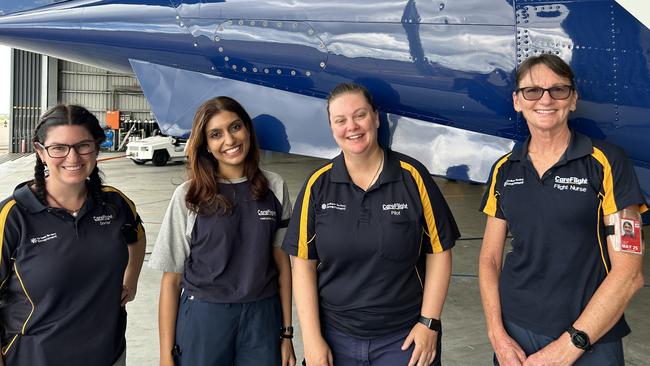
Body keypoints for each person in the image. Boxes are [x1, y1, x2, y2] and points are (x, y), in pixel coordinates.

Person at [478, 54, 647, 366]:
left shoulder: (607, 162)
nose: (545, 99)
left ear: (572, 100)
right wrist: (497, 334)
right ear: (517, 101)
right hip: (515, 337)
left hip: (590, 340)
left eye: (558, 90)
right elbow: (489, 258)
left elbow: (630, 273)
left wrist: (569, 347)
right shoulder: (503, 168)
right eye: (532, 91)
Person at [283, 82, 459, 366]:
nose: (351, 126)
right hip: (335, 337)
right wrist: (312, 339)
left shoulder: (412, 177)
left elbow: (439, 251)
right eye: (340, 120)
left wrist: (429, 323)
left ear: (376, 118)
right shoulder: (318, 184)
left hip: (403, 339)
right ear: (332, 128)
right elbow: (302, 264)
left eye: (360, 115)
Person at [149, 96, 296, 366]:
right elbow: (171, 280)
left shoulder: (274, 187)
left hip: (262, 317)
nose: (229, 140)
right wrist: (165, 355)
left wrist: (287, 334)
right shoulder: (189, 196)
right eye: (216, 134)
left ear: (248, 130)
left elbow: (282, 263)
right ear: (206, 145)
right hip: (205, 317)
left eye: (235, 127)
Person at [0, 105, 146, 366]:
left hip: (107, 355)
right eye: (58, 148)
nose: (72, 157)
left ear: (96, 148)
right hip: (35, 358)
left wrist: (131, 280)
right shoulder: (13, 216)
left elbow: (136, 235)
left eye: (83, 145)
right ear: (41, 152)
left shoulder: (115, 204)